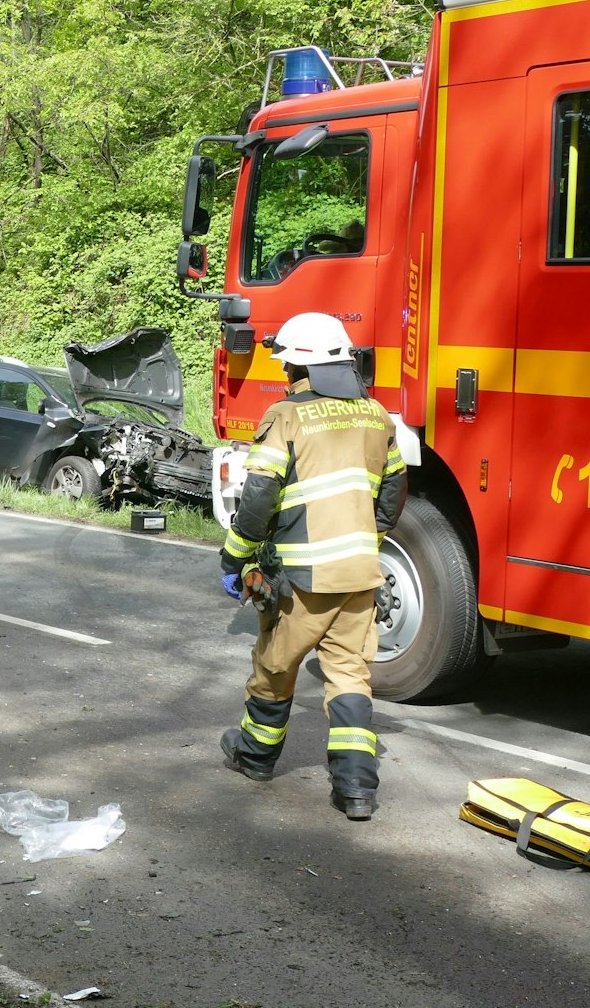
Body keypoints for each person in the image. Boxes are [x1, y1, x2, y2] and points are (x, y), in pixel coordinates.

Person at [216, 312, 406, 821]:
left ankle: (255, 756)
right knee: (349, 677)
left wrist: (235, 556)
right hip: (360, 574)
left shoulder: (287, 416)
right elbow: (393, 490)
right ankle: (357, 789)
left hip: (303, 580)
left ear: (298, 366)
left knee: (275, 667)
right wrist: (368, 539)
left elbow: (259, 497)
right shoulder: (376, 416)